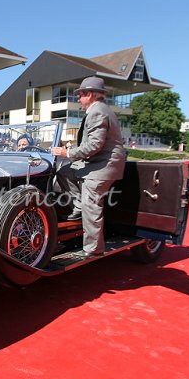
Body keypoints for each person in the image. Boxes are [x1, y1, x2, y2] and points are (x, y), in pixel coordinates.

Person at [51, 76, 126, 257]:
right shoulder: (98, 110)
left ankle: (92, 250)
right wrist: (68, 154)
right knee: (63, 171)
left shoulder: (97, 112)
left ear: (90, 94)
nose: (78, 99)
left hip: (103, 167)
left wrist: (66, 153)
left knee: (91, 204)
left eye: (81, 94)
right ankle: (77, 207)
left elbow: (95, 145)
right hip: (97, 163)